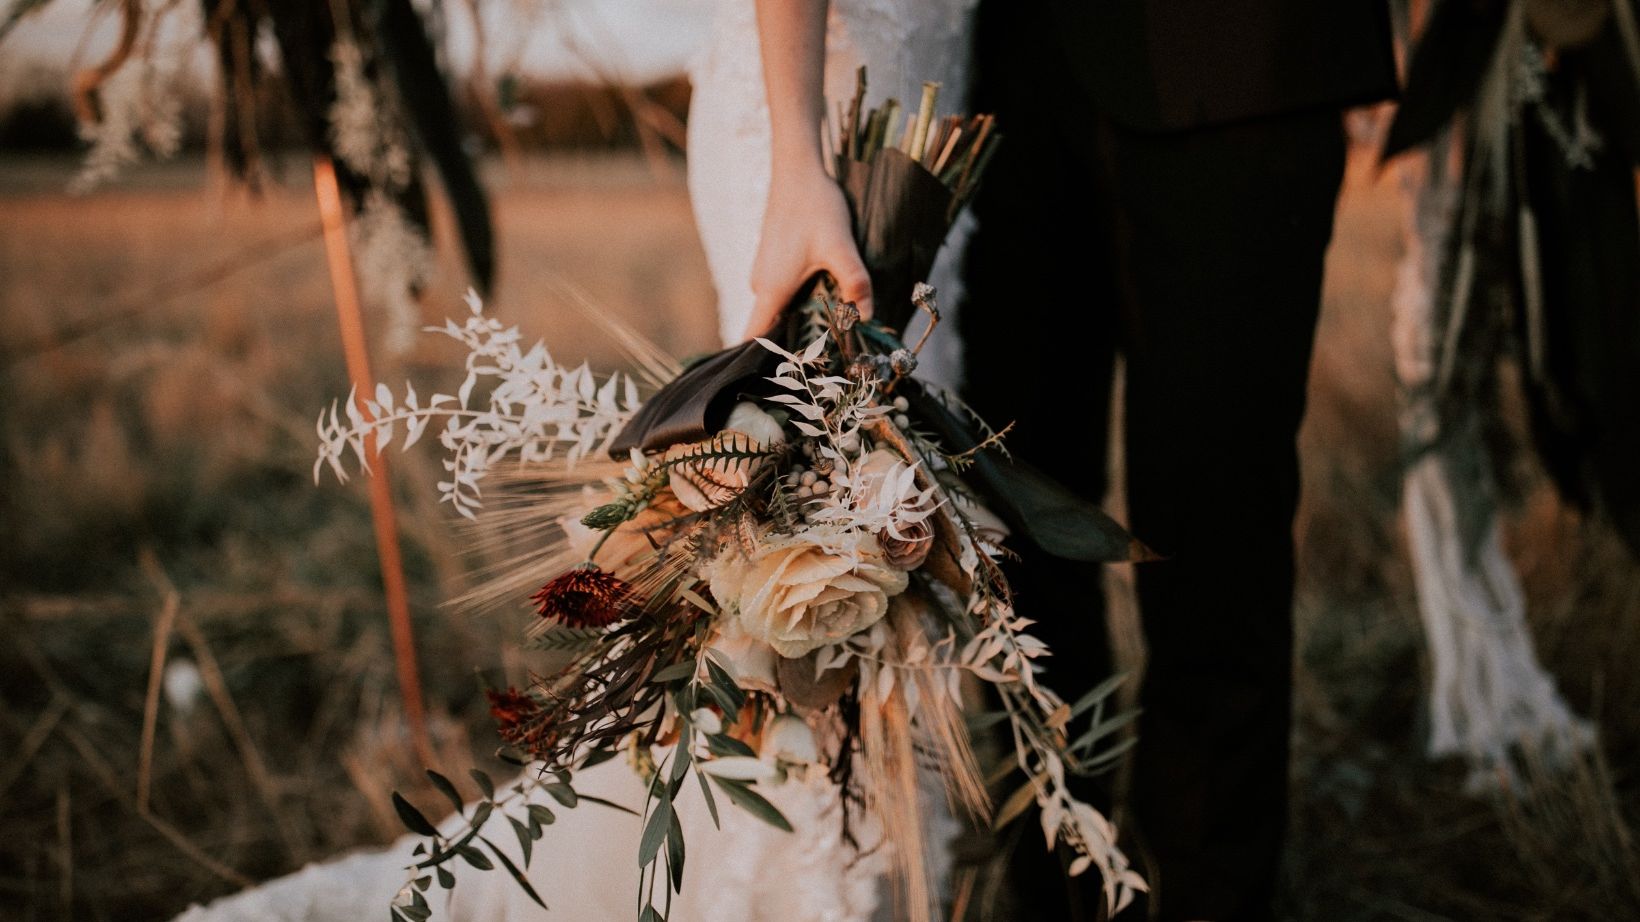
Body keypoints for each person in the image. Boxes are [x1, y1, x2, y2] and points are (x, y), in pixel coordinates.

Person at [955, 3, 1398, 920]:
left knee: (1215, 528)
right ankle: (1056, 885)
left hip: (1240, 52)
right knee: (1009, 521)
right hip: (993, 67)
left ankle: (1211, 892)